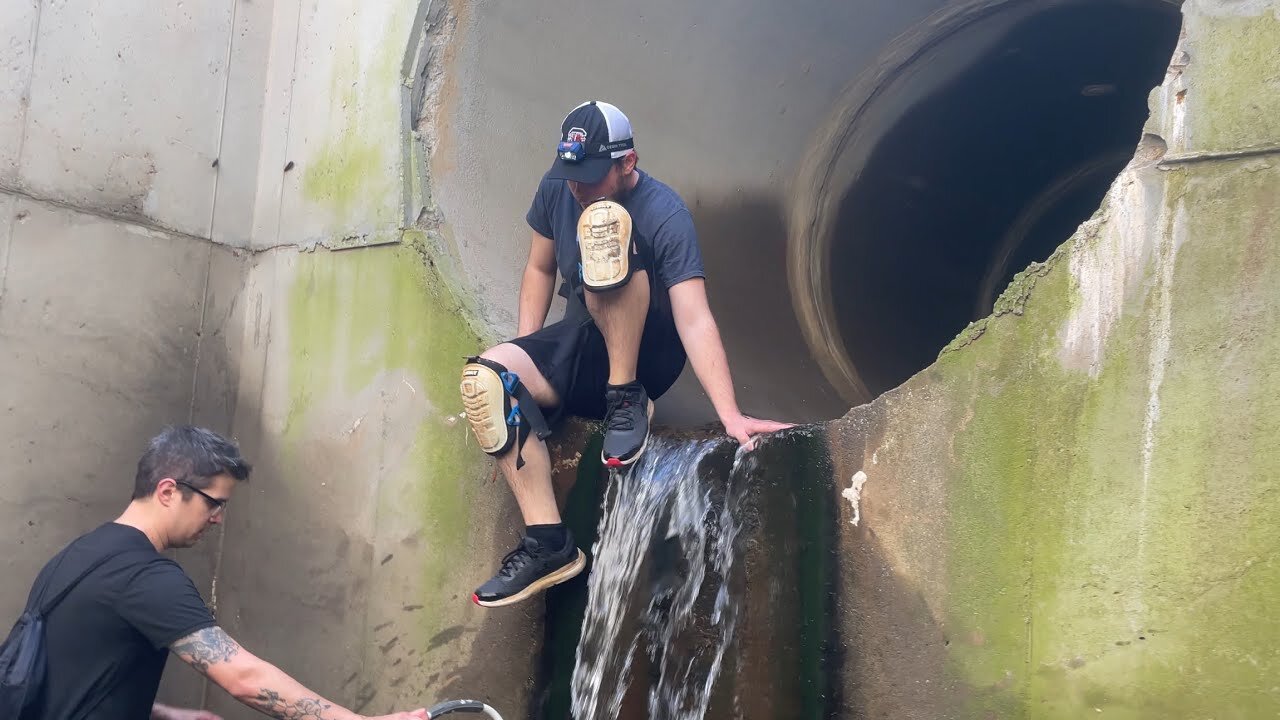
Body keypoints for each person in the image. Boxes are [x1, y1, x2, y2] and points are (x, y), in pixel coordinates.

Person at [459, 100, 792, 608]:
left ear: (628, 163)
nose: (577, 187)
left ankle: (625, 396)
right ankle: (549, 544)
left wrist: (730, 413)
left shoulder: (664, 211)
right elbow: (540, 269)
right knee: (488, 381)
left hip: (648, 354)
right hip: (580, 343)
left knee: (604, 234)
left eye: (591, 177)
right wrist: (524, 347)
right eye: (571, 175)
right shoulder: (557, 188)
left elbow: (694, 316)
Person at [8, 425, 427, 720]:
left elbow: (72, 676)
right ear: (169, 491)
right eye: (215, 503)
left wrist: (161, 713)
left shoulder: (79, 555)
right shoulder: (146, 578)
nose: (218, 519)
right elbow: (242, 677)